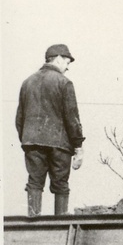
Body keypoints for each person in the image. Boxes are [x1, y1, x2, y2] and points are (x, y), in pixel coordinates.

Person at [15, 44, 85, 217]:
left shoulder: (27, 82)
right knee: (61, 184)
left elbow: (19, 119)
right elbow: (72, 117)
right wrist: (78, 146)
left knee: (34, 183)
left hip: (31, 141)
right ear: (59, 59)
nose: (68, 67)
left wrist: (27, 138)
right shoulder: (64, 82)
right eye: (67, 62)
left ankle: (33, 222)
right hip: (59, 143)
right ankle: (60, 225)